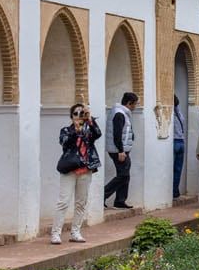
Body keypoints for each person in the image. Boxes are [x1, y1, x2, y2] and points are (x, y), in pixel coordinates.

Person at [53, 102, 102, 243]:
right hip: (69, 170)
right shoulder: (66, 131)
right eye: (76, 113)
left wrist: (89, 119)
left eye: (82, 113)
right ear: (71, 116)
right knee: (63, 202)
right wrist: (76, 129)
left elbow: (98, 134)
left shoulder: (89, 130)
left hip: (85, 170)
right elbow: (65, 143)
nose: (79, 116)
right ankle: (56, 233)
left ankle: (76, 232)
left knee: (81, 203)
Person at [103, 91, 138, 209]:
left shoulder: (122, 113)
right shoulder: (119, 114)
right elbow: (116, 134)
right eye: (135, 104)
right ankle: (102, 195)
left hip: (121, 149)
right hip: (118, 150)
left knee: (125, 175)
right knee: (123, 175)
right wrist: (121, 150)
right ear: (129, 103)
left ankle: (120, 200)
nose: (135, 107)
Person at [171, 96, 186, 200]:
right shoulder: (179, 113)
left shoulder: (169, 112)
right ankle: (175, 192)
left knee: (170, 169)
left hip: (174, 142)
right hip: (181, 142)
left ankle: (170, 192)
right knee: (178, 169)